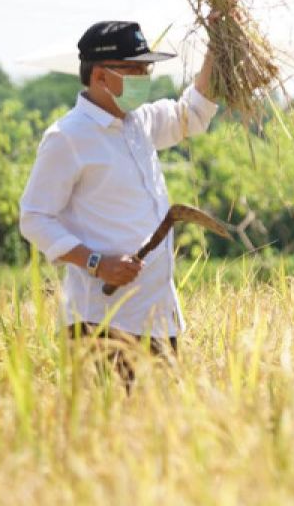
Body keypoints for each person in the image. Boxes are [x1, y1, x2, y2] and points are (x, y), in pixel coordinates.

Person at [20, 20, 219, 375]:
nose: (144, 76)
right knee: (107, 426)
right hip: (101, 322)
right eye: (134, 69)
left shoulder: (138, 123)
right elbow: (34, 218)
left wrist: (217, 46)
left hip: (157, 317)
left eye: (146, 68)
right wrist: (97, 262)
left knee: (160, 428)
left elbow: (191, 115)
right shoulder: (67, 138)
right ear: (99, 76)